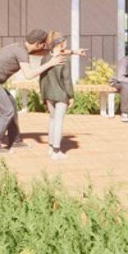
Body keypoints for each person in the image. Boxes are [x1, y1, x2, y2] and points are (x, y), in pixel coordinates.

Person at [0, 29, 55, 153]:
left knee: (12, 104)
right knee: (7, 111)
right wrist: (50, 63)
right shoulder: (21, 52)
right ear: (38, 44)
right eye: (44, 44)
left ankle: (15, 141)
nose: (45, 47)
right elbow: (29, 75)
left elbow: (44, 53)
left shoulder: (20, 47)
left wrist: (71, 52)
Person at [39, 31, 83, 160]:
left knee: (52, 119)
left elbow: (42, 78)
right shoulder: (64, 60)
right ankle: (56, 151)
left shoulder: (46, 58)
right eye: (65, 41)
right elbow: (67, 80)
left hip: (48, 93)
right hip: (61, 94)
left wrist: (43, 94)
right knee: (58, 121)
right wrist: (71, 96)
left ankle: (50, 147)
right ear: (61, 43)